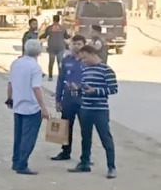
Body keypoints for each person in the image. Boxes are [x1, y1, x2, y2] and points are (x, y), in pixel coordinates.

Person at [69, 44, 118, 178]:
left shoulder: (106, 70)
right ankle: (84, 163)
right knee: (85, 137)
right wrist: (78, 88)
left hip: (100, 109)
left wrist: (96, 91)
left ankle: (111, 166)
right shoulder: (85, 70)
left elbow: (113, 89)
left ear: (92, 54)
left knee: (105, 137)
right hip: (86, 108)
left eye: (85, 58)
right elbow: (84, 86)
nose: (83, 61)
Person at [7, 39, 50, 175]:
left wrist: (9, 98)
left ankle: (16, 161)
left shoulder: (16, 63)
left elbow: (10, 83)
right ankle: (22, 164)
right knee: (28, 137)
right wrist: (43, 107)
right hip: (31, 106)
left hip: (18, 104)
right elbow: (36, 88)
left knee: (18, 136)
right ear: (39, 52)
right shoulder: (35, 67)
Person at [52, 34, 87, 161]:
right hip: (68, 99)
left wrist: (80, 87)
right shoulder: (66, 60)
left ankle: (86, 156)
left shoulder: (88, 61)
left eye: (79, 44)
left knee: (85, 128)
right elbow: (60, 81)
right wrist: (58, 100)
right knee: (65, 126)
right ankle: (65, 152)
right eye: (74, 44)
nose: (76, 46)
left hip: (83, 99)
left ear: (84, 46)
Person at [40, 14, 68, 81]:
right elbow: (66, 36)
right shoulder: (63, 28)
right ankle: (60, 77)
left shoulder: (49, 28)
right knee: (60, 62)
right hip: (60, 46)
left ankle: (50, 77)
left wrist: (40, 36)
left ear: (53, 20)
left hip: (51, 47)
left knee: (51, 62)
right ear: (59, 20)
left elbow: (45, 35)